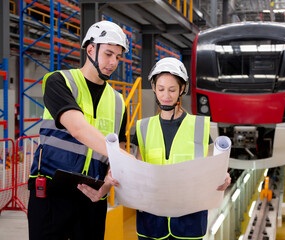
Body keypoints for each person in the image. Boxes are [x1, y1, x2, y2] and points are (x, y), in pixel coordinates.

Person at [27, 20, 129, 240]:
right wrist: (133, 161)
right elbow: (78, 129)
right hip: (51, 195)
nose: (113, 62)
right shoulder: (59, 81)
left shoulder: (119, 102)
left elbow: (117, 155)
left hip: (93, 196)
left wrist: (107, 186)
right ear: (91, 49)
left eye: (118, 57)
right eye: (109, 54)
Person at [132, 57, 231, 240]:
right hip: (151, 222)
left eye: (172, 90)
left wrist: (221, 178)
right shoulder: (143, 127)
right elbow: (139, 169)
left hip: (189, 222)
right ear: (154, 88)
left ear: (182, 90)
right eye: (161, 89)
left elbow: (210, 169)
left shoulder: (199, 127)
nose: (166, 96)